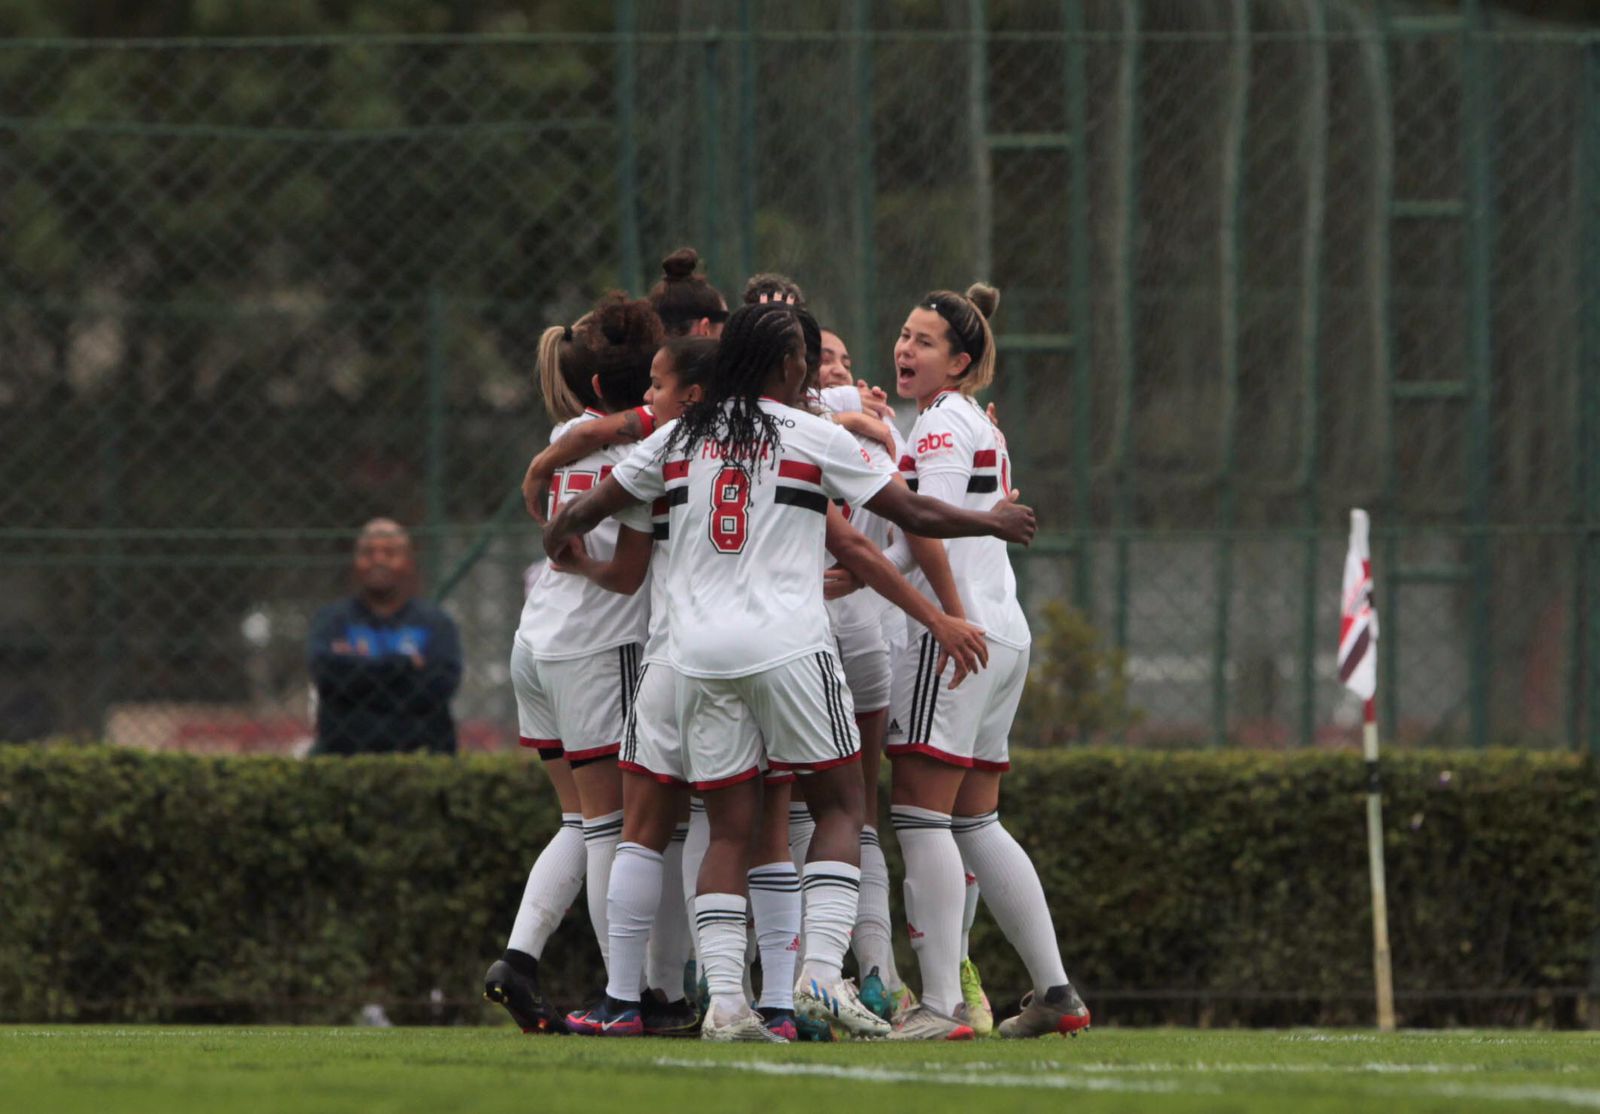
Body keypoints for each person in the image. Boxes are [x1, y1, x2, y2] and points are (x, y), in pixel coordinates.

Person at [544, 300, 1036, 1041]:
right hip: (789, 648)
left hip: (697, 659)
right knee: (842, 806)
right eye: (800, 361)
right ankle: (816, 975)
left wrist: (559, 534)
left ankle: (729, 1007)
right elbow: (910, 512)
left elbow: (598, 504)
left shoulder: (679, 437)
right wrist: (990, 520)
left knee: (729, 827)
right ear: (784, 366)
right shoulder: (807, 435)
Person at [884, 283, 1091, 1041]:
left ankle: (941, 1006)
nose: (906, 349)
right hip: (1003, 632)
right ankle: (1057, 993)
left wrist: (943, 618)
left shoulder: (941, 425)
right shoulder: (965, 420)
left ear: (961, 361)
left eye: (925, 342)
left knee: (917, 812)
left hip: (964, 634)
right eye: (905, 335)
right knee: (977, 821)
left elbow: (925, 525)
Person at [306, 519, 461, 756]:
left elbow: (438, 689)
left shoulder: (436, 622)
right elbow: (327, 677)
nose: (378, 560)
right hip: (344, 760)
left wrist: (357, 683)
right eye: (368, 553)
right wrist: (405, 664)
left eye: (390, 553)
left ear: (409, 562)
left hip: (423, 760)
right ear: (356, 562)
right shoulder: (331, 620)